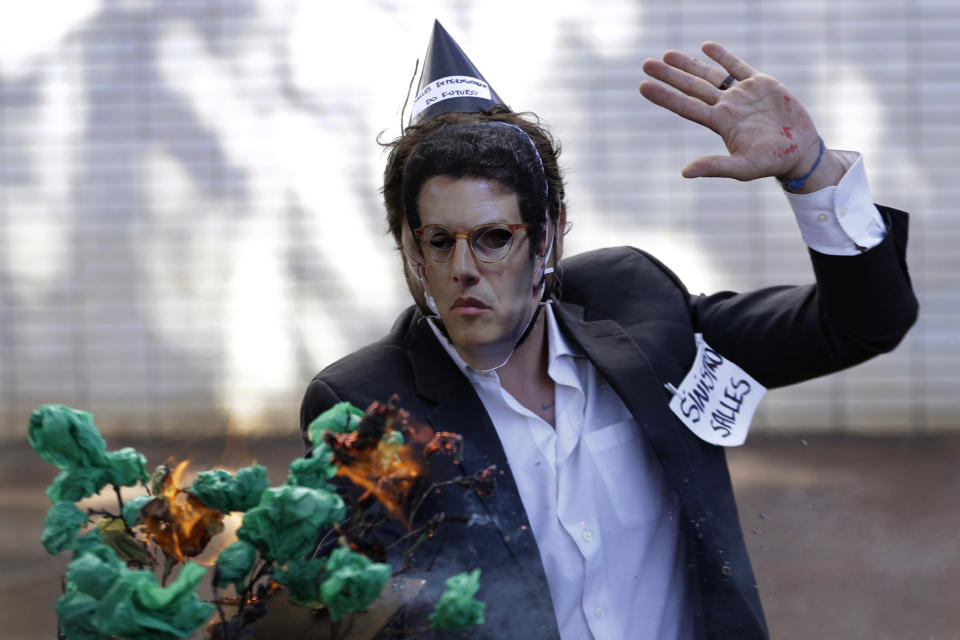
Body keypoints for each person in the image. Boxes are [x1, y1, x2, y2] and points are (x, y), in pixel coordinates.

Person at [300, 21, 917, 640]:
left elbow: (862, 324)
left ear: (550, 234)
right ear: (408, 247)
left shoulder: (636, 310)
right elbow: (333, 612)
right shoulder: (365, 406)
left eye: (494, 238)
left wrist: (811, 173)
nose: (465, 271)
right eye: (439, 241)